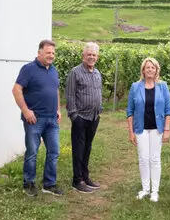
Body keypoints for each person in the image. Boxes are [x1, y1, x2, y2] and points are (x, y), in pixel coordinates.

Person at [12, 39, 63, 197]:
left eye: (53, 53)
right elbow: (16, 90)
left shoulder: (53, 70)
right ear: (39, 52)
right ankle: (29, 183)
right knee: (32, 152)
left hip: (52, 120)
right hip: (35, 119)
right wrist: (26, 111)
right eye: (48, 52)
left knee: (54, 151)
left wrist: (58, 109)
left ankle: (49, 184)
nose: (51, 55)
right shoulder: (28, 69)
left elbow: (55, 90)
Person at [126, 57, 170, 202]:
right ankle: (145, 189)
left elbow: (168, 109)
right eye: (148, 67)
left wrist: (167, 129)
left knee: (155, 159)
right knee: (143, 159)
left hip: (157, 129)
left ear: (156, 70)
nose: (150, 70)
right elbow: (130, 111)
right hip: (141, 129)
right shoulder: (135, 87)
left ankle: (155, 191)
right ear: (143, 70)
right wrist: (131, 132)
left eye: (153, 67)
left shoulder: (163, 86)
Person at [64, 42, 103, 193]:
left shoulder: (97, 73)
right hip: (80, 117)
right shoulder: (75, 72)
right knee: (78, 149)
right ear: (83, 56)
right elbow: (70, 95)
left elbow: (98, 93)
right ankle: (77, 180)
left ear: (97, 57)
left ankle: (86, 177)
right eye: (89, 55)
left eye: (94, 55)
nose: (91, 57)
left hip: (94, 117)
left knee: (87, 148)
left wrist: (99, 110)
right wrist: (74, 116)